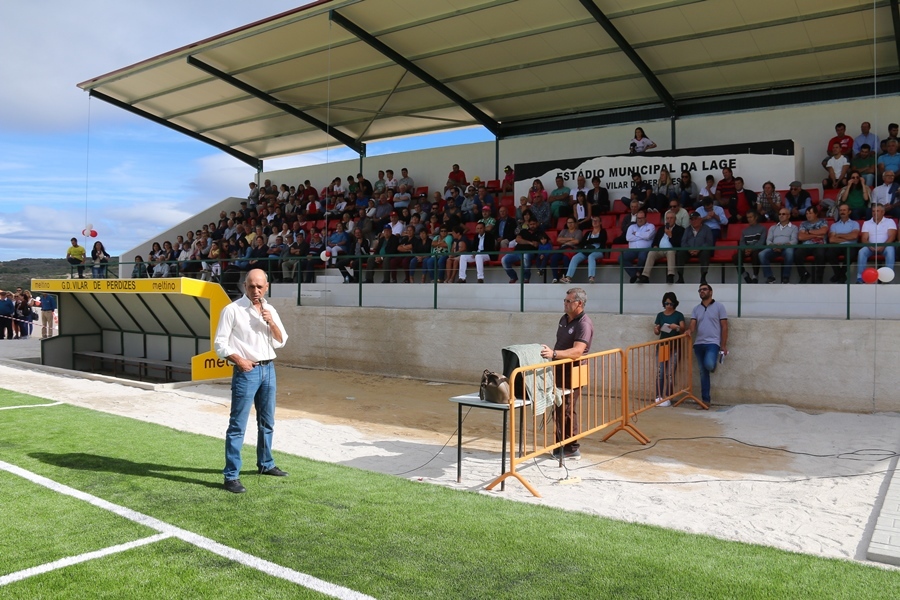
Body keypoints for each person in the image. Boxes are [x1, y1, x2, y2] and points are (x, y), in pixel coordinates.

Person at [214, 269, 289, 494]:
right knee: (238, 424)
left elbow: (282, 341)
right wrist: (239, 360)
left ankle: (266, 464)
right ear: (244, 286)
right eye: (251, 286)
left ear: (266, 287)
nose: (255, 291)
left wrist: (271, 323)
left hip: (269, 370)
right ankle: (231, 476)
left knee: (267, 422)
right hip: (247, 371)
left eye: (259, 287)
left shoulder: (271, 310)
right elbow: (219, 344)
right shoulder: (232, 310)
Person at [539, 287, 593, 460]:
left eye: (569, 301)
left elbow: (578, 351)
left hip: (574, 371)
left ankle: (570, 447)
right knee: (560, 407)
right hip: (560, 369)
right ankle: (562, 445)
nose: (565, 303)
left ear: (580, 303)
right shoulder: (564, 319)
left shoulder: (584, 323)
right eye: (565, 300)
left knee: (567, 408)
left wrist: (554, 354)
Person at [690, 284, 728, 408]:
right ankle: (705, 400)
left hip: (713, 343)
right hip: (698, 344)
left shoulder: (719, 307)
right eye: (700, 290)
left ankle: (712, 366)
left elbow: (724, 326)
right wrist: (689, 331)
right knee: (702, 372)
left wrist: (723, 345)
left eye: (704, 289)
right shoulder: (696, 309)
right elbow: (693, 325)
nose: (702, 291)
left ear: (711, 292)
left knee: (709, 365)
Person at [653, 292, 686, 406]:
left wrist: (675, 327)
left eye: (671, 303)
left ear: (674, 304)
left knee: (670, 373)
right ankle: (658, 396)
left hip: (675, 347)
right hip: (663, 346)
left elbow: (683, 328)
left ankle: (668, 396)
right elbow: (656, 330)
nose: (668, 306)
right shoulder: (660, 315)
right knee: (661, 372)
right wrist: (657, 329)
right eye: (666, 303)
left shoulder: (679, 315)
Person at [639, 209, 684, 284]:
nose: (669, 220)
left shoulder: (680, 229)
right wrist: (655, 246)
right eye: (667, 218)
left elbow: (678, 244)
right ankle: (645, 276)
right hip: (660, 250)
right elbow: (655, 241)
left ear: (675, 219)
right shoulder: (661, 229)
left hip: (672, 249)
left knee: (670, 252)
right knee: (651, 252)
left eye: (671, 218)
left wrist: (670, 235)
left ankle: (670, 275)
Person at [856, 203, 897, 283]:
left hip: (885, 245)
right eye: (873, 211)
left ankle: (888, 277)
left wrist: (883, 246)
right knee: (861, 251)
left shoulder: (889, 221)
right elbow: (864, 238)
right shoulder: (867, 223)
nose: (875, 213)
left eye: (877, 211)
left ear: (883, 212)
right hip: (871, 246)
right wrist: (870, 246)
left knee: (890, 250)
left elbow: (892, 236)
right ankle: (860, 278)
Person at [561, 216, 606, 284]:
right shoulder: (588, 233)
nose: (595, 222)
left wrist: (589, 240)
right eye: (593, 221)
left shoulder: (603, 231)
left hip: (598, 251)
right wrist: (591, 241)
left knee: (591, 257)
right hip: (586, 250)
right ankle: (568, 277)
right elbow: (583, 242)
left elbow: (601, 240)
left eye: (596, 221)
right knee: (575, 258)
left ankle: (591, 277)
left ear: (600, 223)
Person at [759, 208, 798, 284]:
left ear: (788, 216)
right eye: (779, 214)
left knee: (790, 253)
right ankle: (770, 277)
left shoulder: (794, 227)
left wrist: (783, 246)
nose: (781, 216)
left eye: (783, 214)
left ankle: (785, 278)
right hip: (774, 248)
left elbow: (794, 241)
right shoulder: (773, 227)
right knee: (761, 254)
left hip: (787, 247)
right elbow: (768, 240)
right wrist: (774, 246)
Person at [825, 204, 861, 283]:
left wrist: (839, 235)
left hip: (851, 246)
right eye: (841, 210)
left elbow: (854, 236)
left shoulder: (855, 223)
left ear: (849, 212)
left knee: (850, 254)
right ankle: (840, 275)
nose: (842, 212)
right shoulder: (834, 225)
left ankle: (839, 275)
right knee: (829, 253)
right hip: (838, 246)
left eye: (844, 210)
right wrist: (848, 236)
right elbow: (832, 239)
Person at [677, 211, 715, 284]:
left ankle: (703, 277)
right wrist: (689, 249)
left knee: (706, 253)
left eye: (695, 219)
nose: (693, 221)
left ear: (700, 219)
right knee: (680, 254)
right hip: (689, 250)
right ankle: (680, 277)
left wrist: (699, 249)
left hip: (701, 250)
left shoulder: (707, 229)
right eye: (691, 219)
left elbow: (709, 242)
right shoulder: (687, 229)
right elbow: (683, 242)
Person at [795, 206, 829, 283]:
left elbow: (823, 231)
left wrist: (808, 232)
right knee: (797, 254)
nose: (808, 215)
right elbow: (800, 237)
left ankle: (819, 278)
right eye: (806, 214)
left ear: (816, 214)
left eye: (810, 213)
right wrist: (816, 234)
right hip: (806, 245)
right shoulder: (803, 224)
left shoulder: (823, 221)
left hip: (820, 244)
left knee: (820, 254)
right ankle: (804, 274)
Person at [733, 210, 766, 284]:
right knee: (735, 257)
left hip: (757, 249)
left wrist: (751, 249)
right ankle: (745, 275)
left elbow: (761, 242)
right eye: (748, 217)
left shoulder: (762, 228)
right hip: (747, 250)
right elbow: (742, 243)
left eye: (751, 217)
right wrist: (746, 249)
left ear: (756, 217)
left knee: (756, 254)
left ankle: (755, 276)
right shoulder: (744, 231)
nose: (749, 219)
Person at [622, 210, 655, 283]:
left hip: (645, 249)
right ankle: (635, 274)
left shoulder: (651, 226)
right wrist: (642, 235)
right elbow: (628, 238)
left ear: (645, 218)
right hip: (632, 250)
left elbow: (648, 236)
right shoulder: (631, 227)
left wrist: (636, 233)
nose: (640, 220)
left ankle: (638, 274)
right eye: (638, 218)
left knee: (642, 257)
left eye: (641, 218)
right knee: (621, 257)